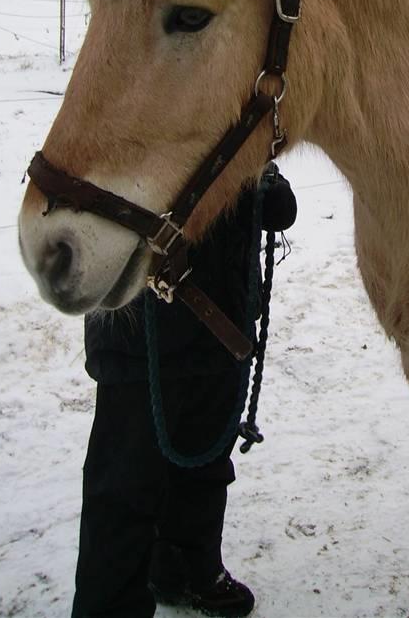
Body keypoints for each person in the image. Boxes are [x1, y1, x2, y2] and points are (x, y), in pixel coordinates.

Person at [71, 166, 297, 618]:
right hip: (138, 341)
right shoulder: (117, 116)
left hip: (219, 329)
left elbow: (281, 210)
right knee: (123, 487)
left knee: (208, 467)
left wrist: (262, 185)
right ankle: (110, 606)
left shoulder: (225, 116)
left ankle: (190, 570)